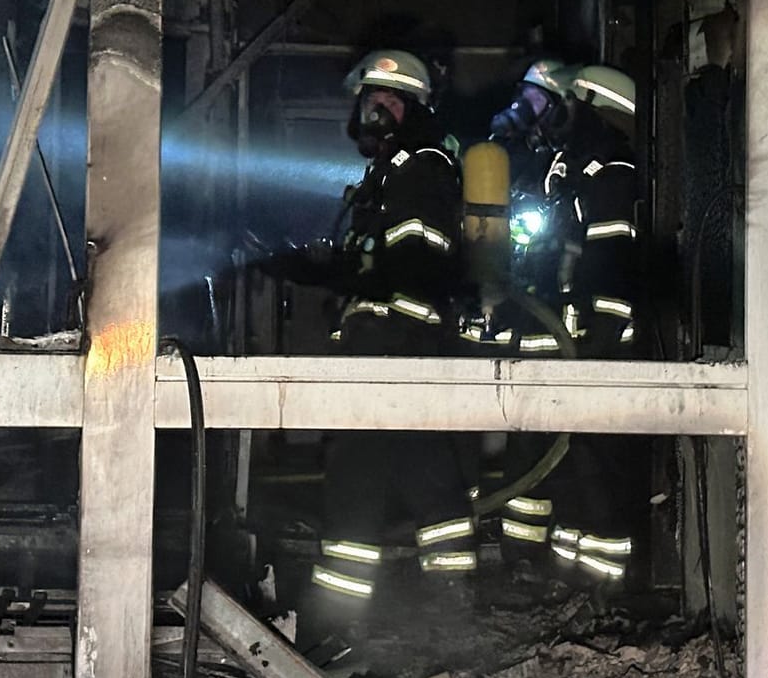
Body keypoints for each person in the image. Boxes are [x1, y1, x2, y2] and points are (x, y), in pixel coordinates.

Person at [272, 49, 476, 647]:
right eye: (369, 100)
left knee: (358, 476)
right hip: (387, 346)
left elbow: (417, 259)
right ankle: (449, 604)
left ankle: (338, 619)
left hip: (397, 346)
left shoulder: (422, 166)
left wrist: (387, 322)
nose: (375, 111)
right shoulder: (387, 176)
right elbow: (374, 265)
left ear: (415, 109)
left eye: (389, 101)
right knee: (421, 470)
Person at [487, 61, 649, 594]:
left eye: (565, 105)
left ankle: (602, 587)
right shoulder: (562, 172)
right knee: (537, 461)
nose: (554, 116)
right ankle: (535, 570)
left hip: (587, 351)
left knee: (591, 467)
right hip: (552, 347)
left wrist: (598, 345)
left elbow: (612, 263)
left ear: (595, 111)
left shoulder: (611, 173)